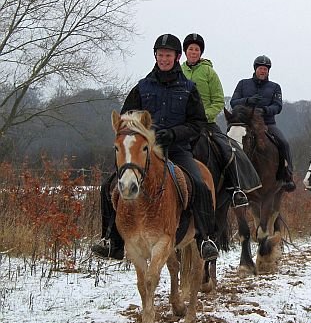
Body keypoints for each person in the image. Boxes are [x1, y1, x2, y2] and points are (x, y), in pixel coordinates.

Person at [91, 33, 218, 261]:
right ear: (155, 56)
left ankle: (204, 239)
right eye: (160, 55)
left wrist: (173, 134)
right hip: (144, 151)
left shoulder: (188, 88)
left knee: (200, 185)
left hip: (177, 149)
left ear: (177, 57)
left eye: (168, 55)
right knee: (108, 186)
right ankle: (112, 241)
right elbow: (126, 119)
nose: (164, 59)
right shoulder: (142, 87)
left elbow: (197, 124)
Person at [181, 33, 252, 208]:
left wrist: (204, 115)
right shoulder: (179, 71)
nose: (193, 52)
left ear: (200, 52)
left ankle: (235, 189)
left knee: (226, 148)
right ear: (185, 51)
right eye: (190, 49)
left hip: (206, 123)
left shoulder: (209, 72)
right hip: (182, 122)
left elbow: (219, 100)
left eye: (197, 49)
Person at [230, 55, 295, 191]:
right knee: (228, 140)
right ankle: (227, 175)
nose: (263, 71)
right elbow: (233, 102)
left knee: (284, 143)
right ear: (255, 69)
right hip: (245, 123)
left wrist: (265, 110)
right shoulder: (243, 84)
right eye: (260, 68)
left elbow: (278, 106)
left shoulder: (275, 87)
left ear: (268, 71)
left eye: (265, 69)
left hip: (267, 123)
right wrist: (247, 101)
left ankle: (287, 176)